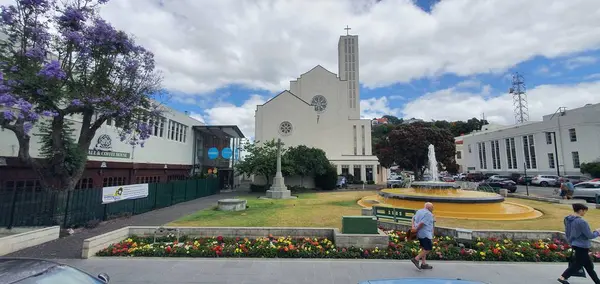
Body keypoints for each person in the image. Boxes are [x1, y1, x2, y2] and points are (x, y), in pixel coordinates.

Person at [558, 203, 600, 284]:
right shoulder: (582, 222)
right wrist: (597, 232)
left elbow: (568, 232)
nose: (584, 213)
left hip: (575, 244)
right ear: (580, 210)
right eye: (584, 211)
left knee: (589, 266)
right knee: (578, 264)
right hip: (582, 246)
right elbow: (590, 235)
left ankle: (597, 282)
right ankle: (562, 277)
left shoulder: (568, 219)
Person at [410, 202, 435, 270]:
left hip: (420, 233)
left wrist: (413, 227)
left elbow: (413, 218)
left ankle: (423, 264)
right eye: (432, 207)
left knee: (424, 248)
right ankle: (416, 259)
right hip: (425, 234)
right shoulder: (428, 214)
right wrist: (416, 229)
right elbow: (422, 223)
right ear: (429, 207)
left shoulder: (419, 211)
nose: (433, 209)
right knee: (428, 248)